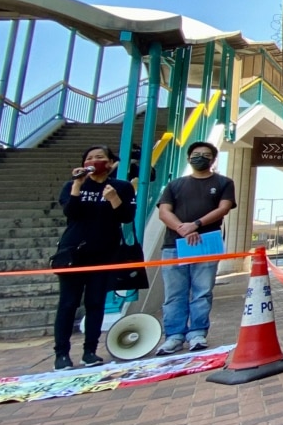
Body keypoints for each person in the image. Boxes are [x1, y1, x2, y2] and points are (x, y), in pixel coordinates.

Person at [52, 146, 137, 370]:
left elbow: (126, 217)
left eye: (100, 158)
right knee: (68, 303)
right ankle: (61, 354)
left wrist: (113, 198)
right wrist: (78, 185)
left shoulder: (121, 187)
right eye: (89, 158)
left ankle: (90, 351)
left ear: (110, 163)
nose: (94, 161)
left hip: (104, 252)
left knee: (95, 303)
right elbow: (71, 213)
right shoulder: (72, 185)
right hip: (73, 253)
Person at [156, 142, 236, 355]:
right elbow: (164, 212)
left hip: (206, 243)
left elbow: (224, 208)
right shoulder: (175, 185)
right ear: (189, 157)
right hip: (174, 245)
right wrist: (182, 229)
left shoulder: (224, 183)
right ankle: (174, 336)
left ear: (213, 160)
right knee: (174, 294)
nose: (200, 157)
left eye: (206, 155)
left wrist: (196, 225)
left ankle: (197, 333)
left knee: (202, 292)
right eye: (196, 154)